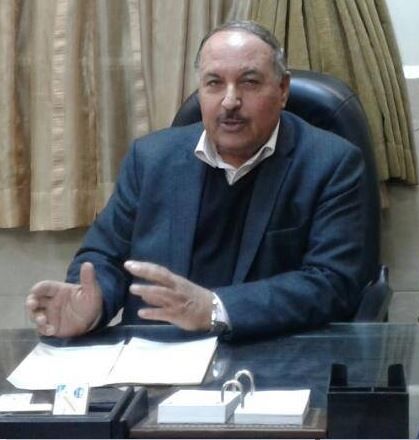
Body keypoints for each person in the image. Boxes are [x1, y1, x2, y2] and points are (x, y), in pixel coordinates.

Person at [25, 20, 368, 340]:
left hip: (267, 356)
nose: (230, 101)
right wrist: (93, 304)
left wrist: (215, 309)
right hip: (158, 358)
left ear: (282, 89)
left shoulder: (331, 163)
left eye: (249, 82)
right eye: (214, 83)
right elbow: (105, 256)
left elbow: (332, 282)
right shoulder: (150, 159)